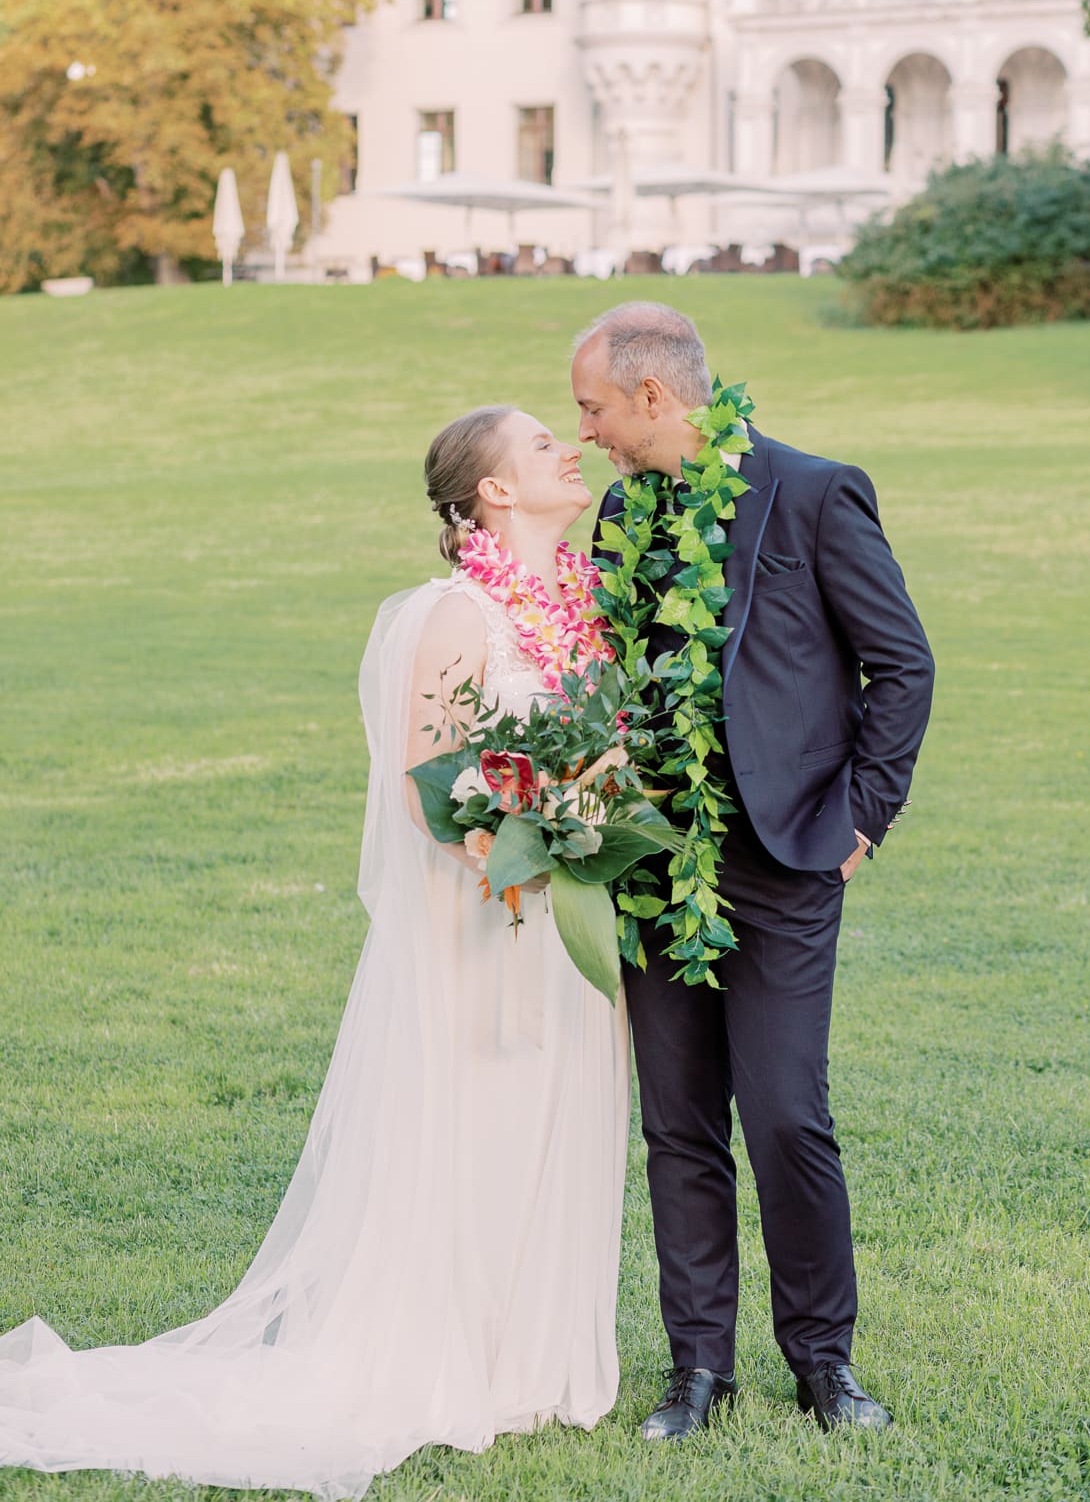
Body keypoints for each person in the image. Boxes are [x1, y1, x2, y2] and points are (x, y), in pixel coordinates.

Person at [0, 408, 629, 1499]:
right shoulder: (451, 616)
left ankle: (530, 1362)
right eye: (538, 445)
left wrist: (589, 815)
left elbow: (598, 755)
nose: (564, 451)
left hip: (562, 918)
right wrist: (524, 839)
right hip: (481, 916)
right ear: (490, 494)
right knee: (478, 1120)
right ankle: (443, 1360)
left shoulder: (580, 613)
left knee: (555, 1121)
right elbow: (433, 787)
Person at [571, 302, 935, 1441]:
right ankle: (697, 1372)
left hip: (785, 861)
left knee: (785, 1118)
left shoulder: (816, 492)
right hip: (654, 864)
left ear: (652, 398)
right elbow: (603, 673)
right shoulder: (623, 513)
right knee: (679, 1128)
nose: (584, 433)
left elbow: (903, 664)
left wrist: (858, 820)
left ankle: (825, 1364)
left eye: (591, 408)